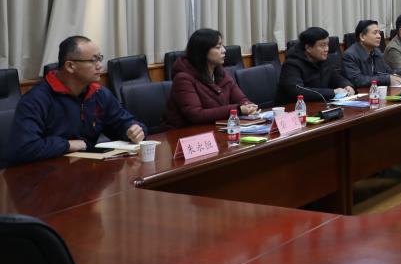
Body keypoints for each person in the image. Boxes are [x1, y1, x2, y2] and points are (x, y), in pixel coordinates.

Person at [7, 36, 146, 165]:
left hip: (84, 170)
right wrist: (67, 145)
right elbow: (24, 148)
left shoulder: (99, 94)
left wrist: (134, 131)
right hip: (44, 175)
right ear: (70, 66)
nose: (100, 66)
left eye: (100, 58)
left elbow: (123, 122)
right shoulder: (36, 99)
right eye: (93, 60)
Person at [162, 29, 258, 129]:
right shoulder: (183, 79)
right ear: (202, 51)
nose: (224, 50)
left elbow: (240, 99)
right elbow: (196, 115)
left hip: (214, 128)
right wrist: (237, 110)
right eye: (218, 47)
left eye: (222, 46)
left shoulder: (222, 73)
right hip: (185, 134)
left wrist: (248, 106)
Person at [278, 27, 354, 104]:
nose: (327, 49)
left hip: (320, 104)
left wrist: (346, 85)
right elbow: (297, 91)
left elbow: (335, 77)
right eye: (322, 45)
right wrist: (332, 92)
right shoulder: (292, 65)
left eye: (327, 45)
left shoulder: (325, 60)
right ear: (308, 48)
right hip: (296, 108)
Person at [342, 19, 399, 88]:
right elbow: (358, 80)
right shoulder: (350, 55)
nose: (379, 36)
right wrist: (386, 79)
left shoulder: (376, 51)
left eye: (379, 33)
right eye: (375, 33)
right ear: (362, 37)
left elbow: (389, 71)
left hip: (377, 91)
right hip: (361, 93)